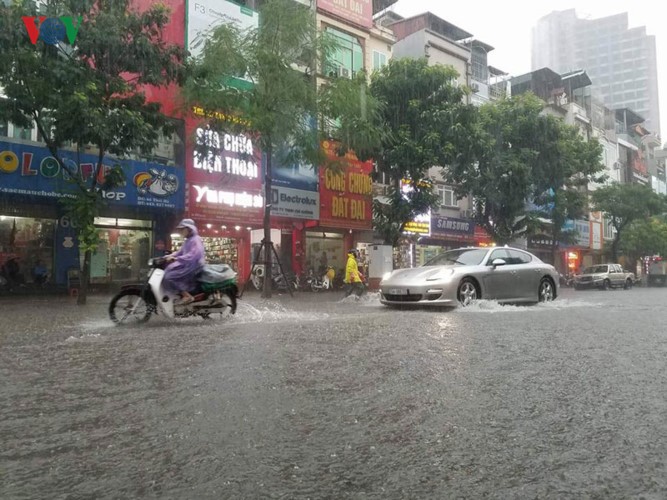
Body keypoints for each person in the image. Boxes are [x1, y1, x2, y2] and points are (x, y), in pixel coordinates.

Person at [164, 219, 205, 304]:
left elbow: (194, 255)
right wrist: (168, 256)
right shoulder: (188, 240)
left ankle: (186, 295)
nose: (181, 231)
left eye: (182, 229)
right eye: (180, 229)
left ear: (189, 229)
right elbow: (180, 252)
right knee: (168, 271)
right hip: (187, 264)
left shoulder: (195, 239)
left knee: (170, 277)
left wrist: (177, 259)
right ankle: (178, 295)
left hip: (193, 266)